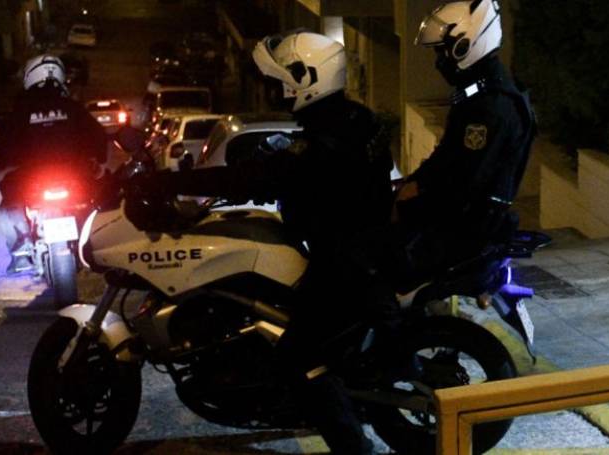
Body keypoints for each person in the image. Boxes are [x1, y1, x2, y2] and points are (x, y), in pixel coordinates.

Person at [129, 31, 395, 454]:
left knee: (299, 357)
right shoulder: (353, 119)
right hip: (361, 248)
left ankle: (353, 449)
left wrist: (168, 182)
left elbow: (253, 178)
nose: (279, 90)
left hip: (346, 264)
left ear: (308, 79)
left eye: (284, 80)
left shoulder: (322, 143)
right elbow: (286, 171)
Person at [392, 0, 536, 286]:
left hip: (468, 226)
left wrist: (415, 198)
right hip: (469, 217)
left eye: (441, 51)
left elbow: (464, 180)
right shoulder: (483, 90)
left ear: (464, 46)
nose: (439, 61)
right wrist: (414, 182)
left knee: (380, 267)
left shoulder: (490, 108)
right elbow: (449, 155)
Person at [0, 54, 108, 274]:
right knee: (99, 196)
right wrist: (98, 159)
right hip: (73, 174)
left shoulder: (20, 112)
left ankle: (21, 250)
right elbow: (97, 135)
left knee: (8, 203)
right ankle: (95, 240)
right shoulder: (73, 108)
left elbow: (4, 144)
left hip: (33, 177)